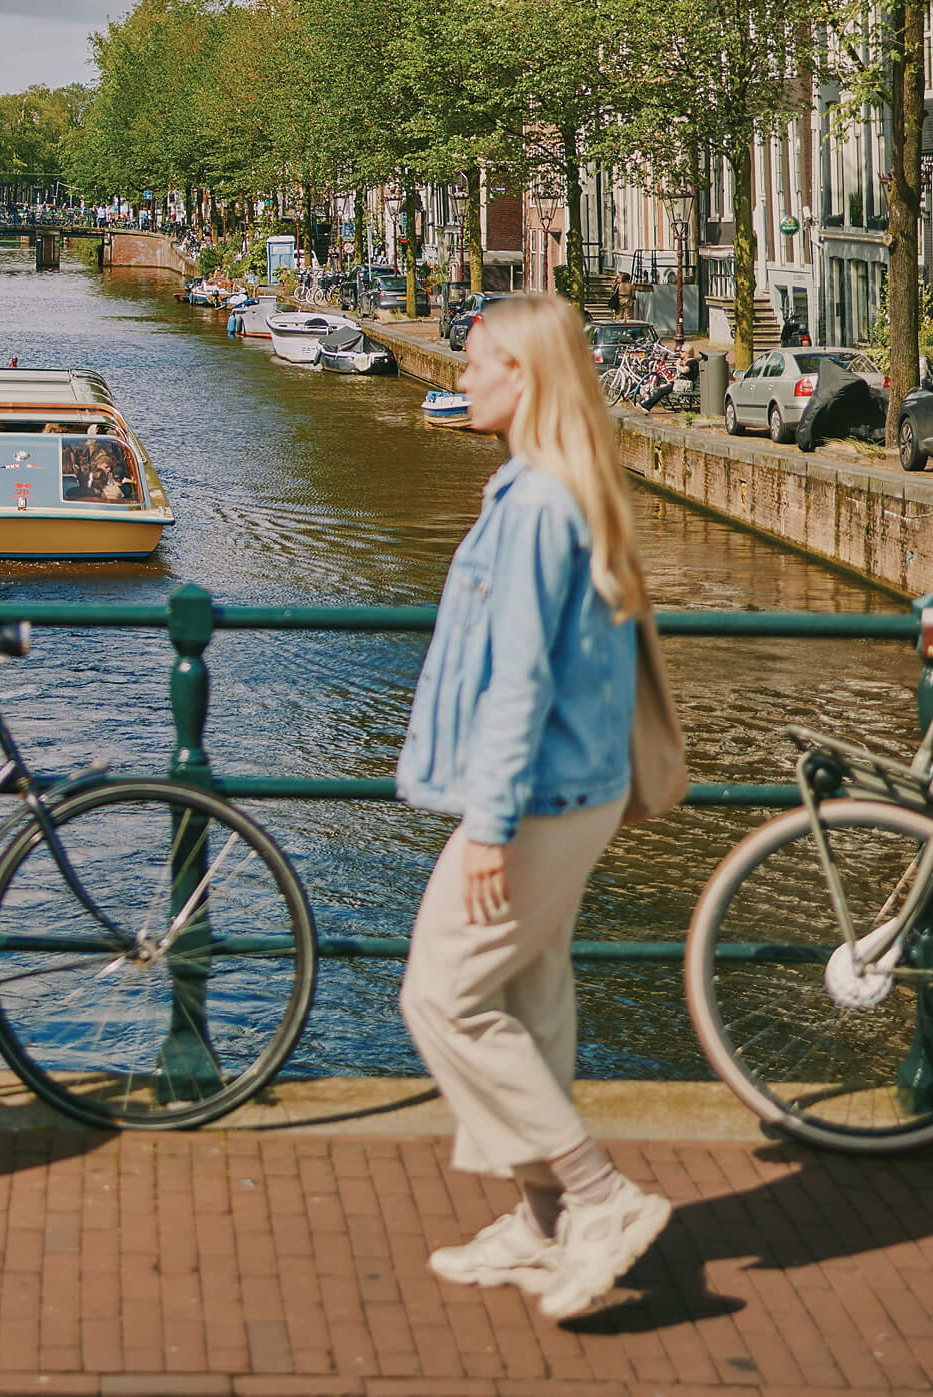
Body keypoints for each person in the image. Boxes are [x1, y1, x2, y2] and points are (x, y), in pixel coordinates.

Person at [396, 294, 670, 1322]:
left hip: (538, 796)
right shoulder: (558, 488)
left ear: (528, 379)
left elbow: (519, 681)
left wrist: (489, 820)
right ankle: (544, 1218)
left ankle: (599, 1195)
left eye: (479, 364)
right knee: (529, 996)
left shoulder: (539, 505)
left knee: (443, 991)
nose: (461, 378)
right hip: (577, 786)